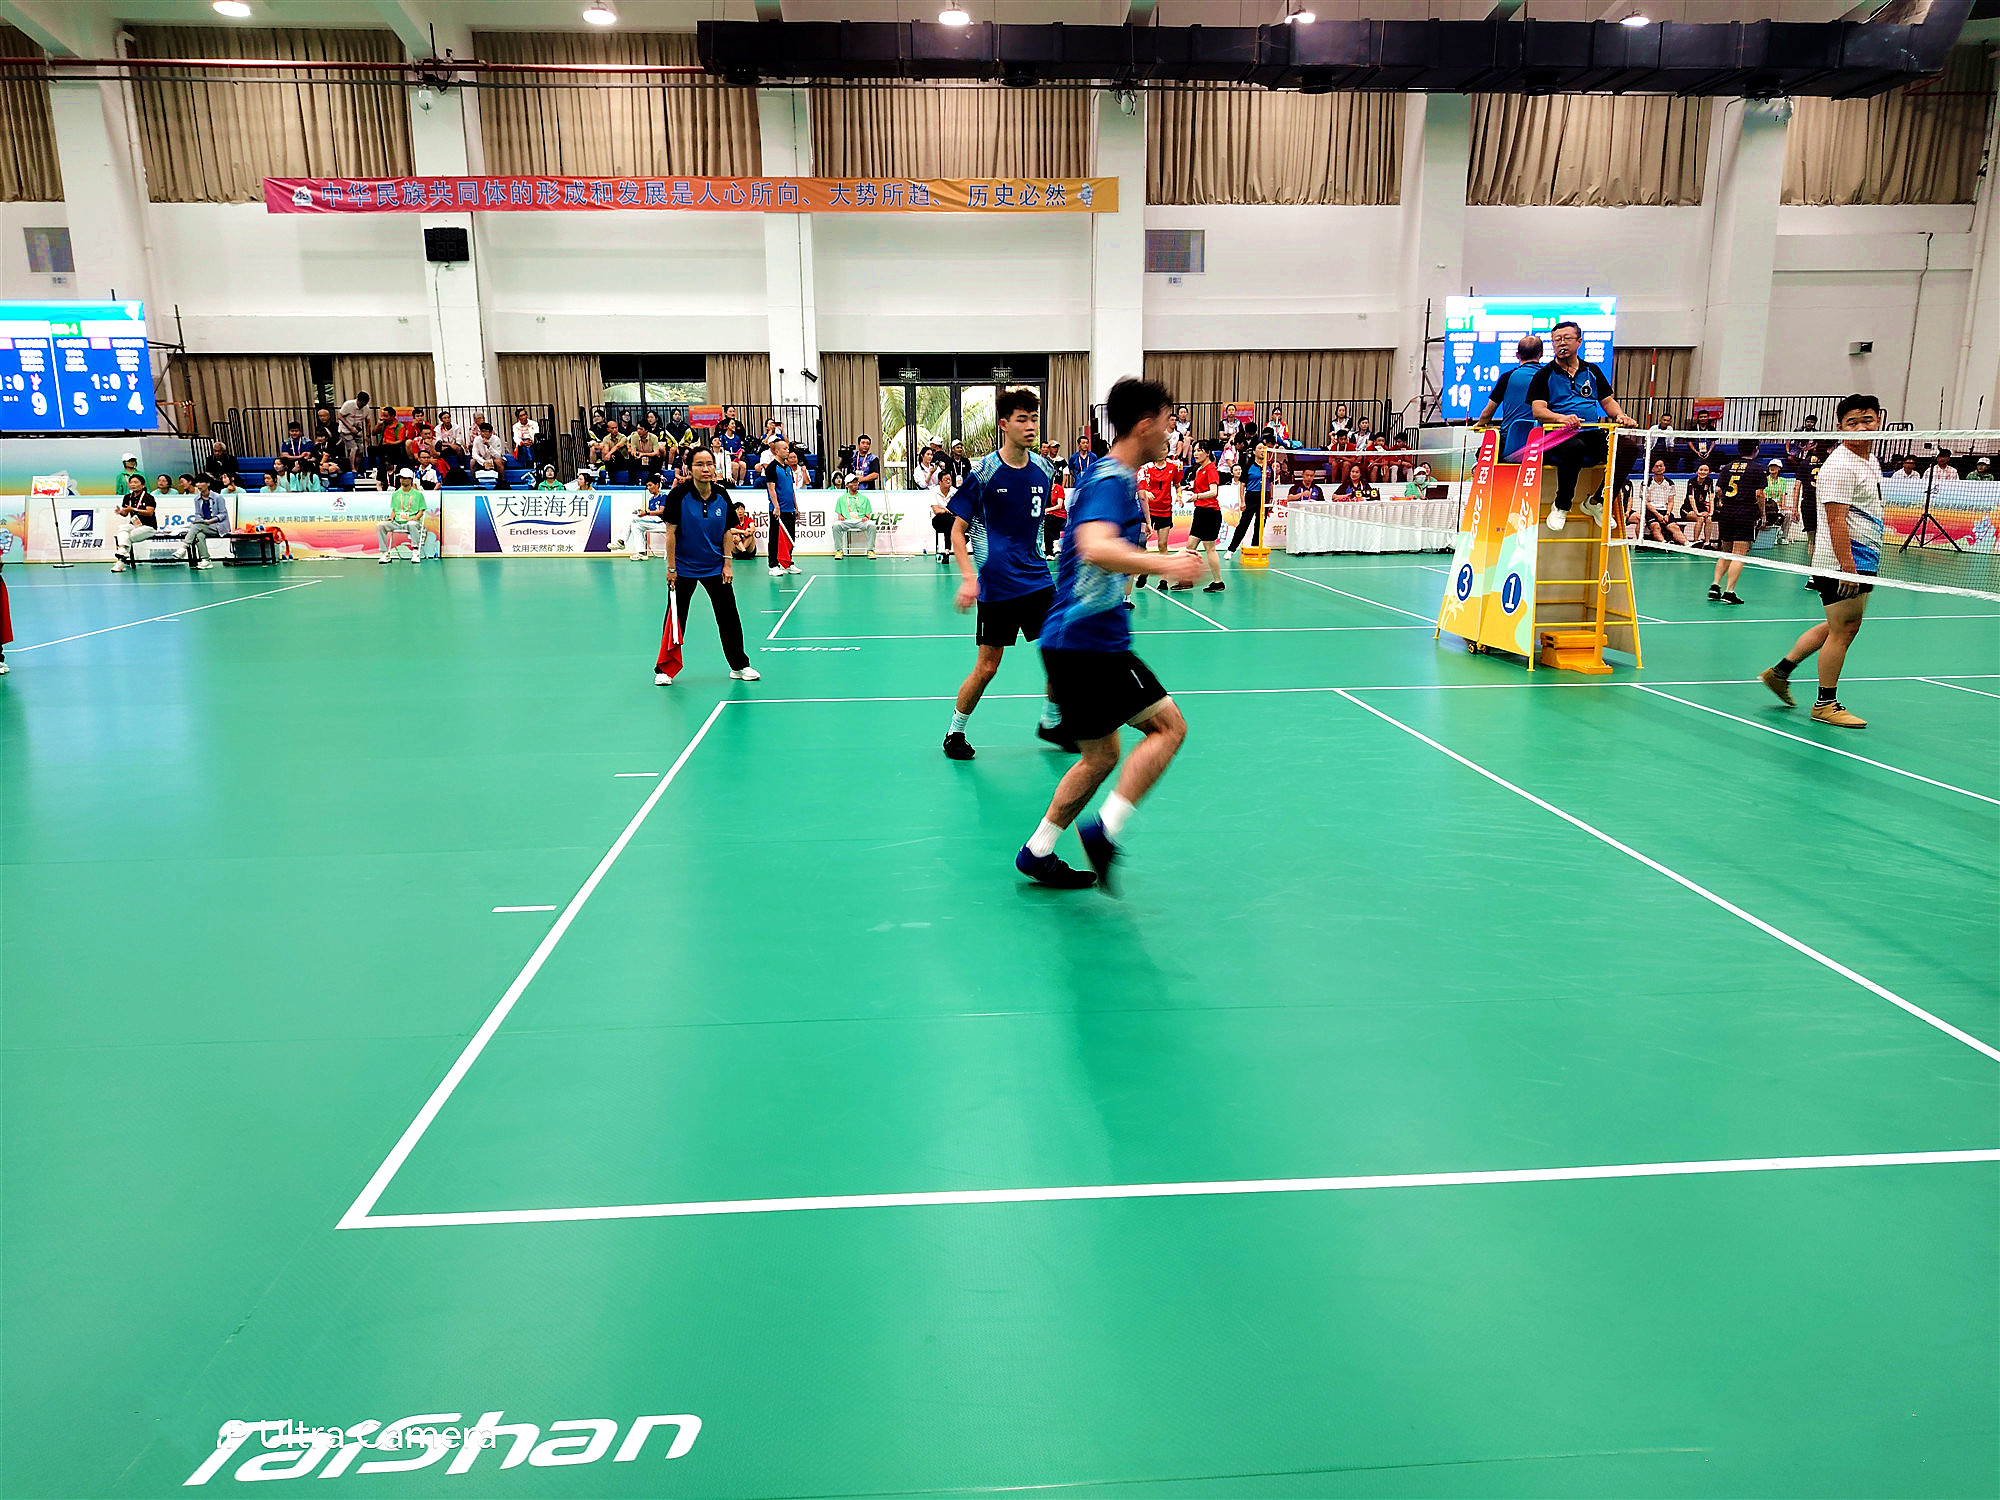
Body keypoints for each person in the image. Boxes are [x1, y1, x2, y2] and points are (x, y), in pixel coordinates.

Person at [1017, 378, 1203, 892]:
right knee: (1169, 728)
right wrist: (1166, 563)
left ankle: (1038, 851)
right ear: (1144, 424)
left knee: (1100, 756)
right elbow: (1095, 546)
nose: (1171, 432)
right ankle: (1104, 831)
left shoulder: (1109, 475)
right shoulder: (1111, 480)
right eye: (1167, 422)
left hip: (1079, 640)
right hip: (1088, 643)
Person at [941, 388, 1062, 761]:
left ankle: (1052, 722)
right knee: (988, 667)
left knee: (1061, 655)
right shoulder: (983, 472)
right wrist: (968, 577)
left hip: (1038, 579)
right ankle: (954, 732)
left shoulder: (1045, 469)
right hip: (997, 585)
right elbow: (957, 531)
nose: (1030, 426)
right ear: (1004, 424)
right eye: (1022, 419)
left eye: (1034, 418)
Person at [1761, 395, 1886, 729]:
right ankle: (1825, 704)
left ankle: (1779, 673)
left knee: (1838, 626)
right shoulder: (1840, 465)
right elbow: (1835, 520)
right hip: (1843, 561)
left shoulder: (1870, 460)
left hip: (1864, 555)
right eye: (1852, 423)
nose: (1862, 428)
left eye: (1868, 420)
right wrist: (1847, 567)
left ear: (1879, 420)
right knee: (1845, 630)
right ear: (1840, 427)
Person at [656, 448, 758, 686]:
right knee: (676, 618)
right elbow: (670, 533)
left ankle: (739, 665)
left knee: (729, 617)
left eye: (709, 464)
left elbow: (727, 531)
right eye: (699, 464)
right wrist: (671, 568)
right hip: (683, 568)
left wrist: (727, 563)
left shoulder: (721, 494)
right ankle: (665, 669)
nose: (705, 469)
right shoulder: (678, 495)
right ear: (689, 468)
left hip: (715, 567)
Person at [1527, 319, 1633, 531]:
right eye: (1557, 340)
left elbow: (1607, 401)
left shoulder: (1592, 371)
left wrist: (1620, 415)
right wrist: (1561, 418)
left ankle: (1597, 502)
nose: (1561, 343)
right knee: (1575, 447)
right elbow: (1538, 410)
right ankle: (1561, 505)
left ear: (1579, 341)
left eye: (1567, 338)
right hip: (1557, 434)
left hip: (1591, 432)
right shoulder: (1543, 375)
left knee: (1628, 448)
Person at [1706, 439, 1766, 604]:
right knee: (1739, 553)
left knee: (1726, 551)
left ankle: (1715, 585)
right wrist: (1763, 515)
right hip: (1745, 512)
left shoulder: (1727, 467)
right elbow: (1759, 494)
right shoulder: (1757, 468)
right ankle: (1729, 592)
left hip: (1727, 512)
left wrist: (1725, 500)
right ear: (1756, 449)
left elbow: (1718, 490)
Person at [1475, 334, 1545, 461]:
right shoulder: (1550, 376)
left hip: (1508, 445)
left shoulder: (1507, 378)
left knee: (1480, 453)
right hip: (1542, 444)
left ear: (1517, 355)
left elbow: (1487, 414)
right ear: (1541, 354)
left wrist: (1479, 424)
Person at [1136, 451, 1181, 592]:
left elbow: (1177, 485)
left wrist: (1179, 496)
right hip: (1148, 510)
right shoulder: (1146, 468)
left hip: (1165, 510)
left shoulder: (1173, 468)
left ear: (1167, 451)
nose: (1161, 452)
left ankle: (1164, 580)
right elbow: (1141, 487)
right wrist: (1146, 492)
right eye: (1159, 449)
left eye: (1164, 450)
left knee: (1162, 545)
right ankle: (1146, 568)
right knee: (1141, 545)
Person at [764, 436, 801, 575]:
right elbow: (771, 489)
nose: (787, 451)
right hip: (778, 510)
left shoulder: (788, 468)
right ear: (777, 451)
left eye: (788, 448)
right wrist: (776, 507)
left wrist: (796, 506)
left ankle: (788, 562)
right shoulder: (771, 468)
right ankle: (773, 565)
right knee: (775, 538)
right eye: (785, 449)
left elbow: (790, 489)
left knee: (789, 538)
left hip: (790, 509)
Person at [377, 470, 428, 563]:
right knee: (380, 525)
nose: (403, 480)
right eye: (401, 478)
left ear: (411, 479)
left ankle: (415, 551)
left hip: (411, 522)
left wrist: (415, 519)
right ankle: (385, 553)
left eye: (405, 478)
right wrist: (391, 517)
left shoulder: (418, 494)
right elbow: (394, 510)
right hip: (397, 522)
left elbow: (421, 510)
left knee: (412, 524)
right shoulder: (396, 494)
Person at [111, 476, 156, 572]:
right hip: (134, 525)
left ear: (143, 485)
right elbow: (125, 513)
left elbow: (150, 513)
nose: (133, 484)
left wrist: (134, 509)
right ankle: (122, 551)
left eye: (136, 482)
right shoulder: (127, 497)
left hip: (148, 527)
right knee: (123, 527)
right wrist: (120, 512)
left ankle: (120, 563)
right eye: (131, 482)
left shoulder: (148, 497)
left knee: (126, 538)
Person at [182, 477, 229, 569]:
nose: (198, 485)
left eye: (201, 482)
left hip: (218, 526)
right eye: (197, 483)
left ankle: (184, 547)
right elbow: (198, 514)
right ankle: (206, 560)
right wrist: (201, 520)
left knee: (196, 526)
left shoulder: (218, 497)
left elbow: (223, 515)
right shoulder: (197, 499)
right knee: (199, 535)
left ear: (208, 484)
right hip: (204, 526)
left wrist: (210, 521)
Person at [620, 475, 671, 559]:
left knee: (633, 518)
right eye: (647, 486)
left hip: (663, 523)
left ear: (657, 485)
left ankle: (621, 541)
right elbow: (649, 513)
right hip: (654, 522)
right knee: (635, 526)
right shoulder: (651, 499)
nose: (648, 488)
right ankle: (641, 552)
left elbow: (661, 511)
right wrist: (642, 512)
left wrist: (646, 513)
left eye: (650, 485)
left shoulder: (663, 496)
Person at [832, 475, 876, 557]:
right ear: (847, 485)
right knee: (836, 525)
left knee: (871, 525)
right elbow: (839, 514)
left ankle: (870, 550)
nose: (855, 484)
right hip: (846, 521)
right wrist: (841, 517)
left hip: (860, 521)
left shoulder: (864, 498)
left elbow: (868, 515)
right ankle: (839, 550)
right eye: (852, 482)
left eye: (856, 482)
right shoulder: (841, 499)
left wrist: (866, 517)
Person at [1682, 462, 1715, 546]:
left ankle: (1707, 542)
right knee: (1700, 518)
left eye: (1705, 470)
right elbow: (1691, 498)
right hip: (1687, 509)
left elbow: (1711, 497)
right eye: (1701, 470)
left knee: (1709, 519)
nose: (1703, 472)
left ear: (1709, 472)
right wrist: (1697, 513)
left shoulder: (1709, 481)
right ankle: (1696, 541)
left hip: (1701, 507)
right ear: (1697, 471)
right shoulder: (1692, 481)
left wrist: (1711, 512)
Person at [469, 422, 510, 489]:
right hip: (482, 461)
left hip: (494, 461)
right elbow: (474, 454)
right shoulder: (477, 439)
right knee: (472, 462)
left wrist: (488, 446)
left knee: (498, 461)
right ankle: (475, 481)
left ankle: (502, 481)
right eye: (482, 431)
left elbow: (498, 455)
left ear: (491, 432)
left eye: (485, 432)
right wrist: (484, 462)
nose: (483, 434)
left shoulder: (496, 439)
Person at [929, 468, 956, 563]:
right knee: (948, 519)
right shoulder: (933, 492)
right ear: (939, 482)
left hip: (951, 520)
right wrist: (945, 510)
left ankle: (946, 552)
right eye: (946, 480)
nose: (948, 481)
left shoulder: (954, 492)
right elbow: (936, 510)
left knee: (949, 523)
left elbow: (958, 509)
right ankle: (958, 539)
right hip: (937, 520)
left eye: (950, 479)